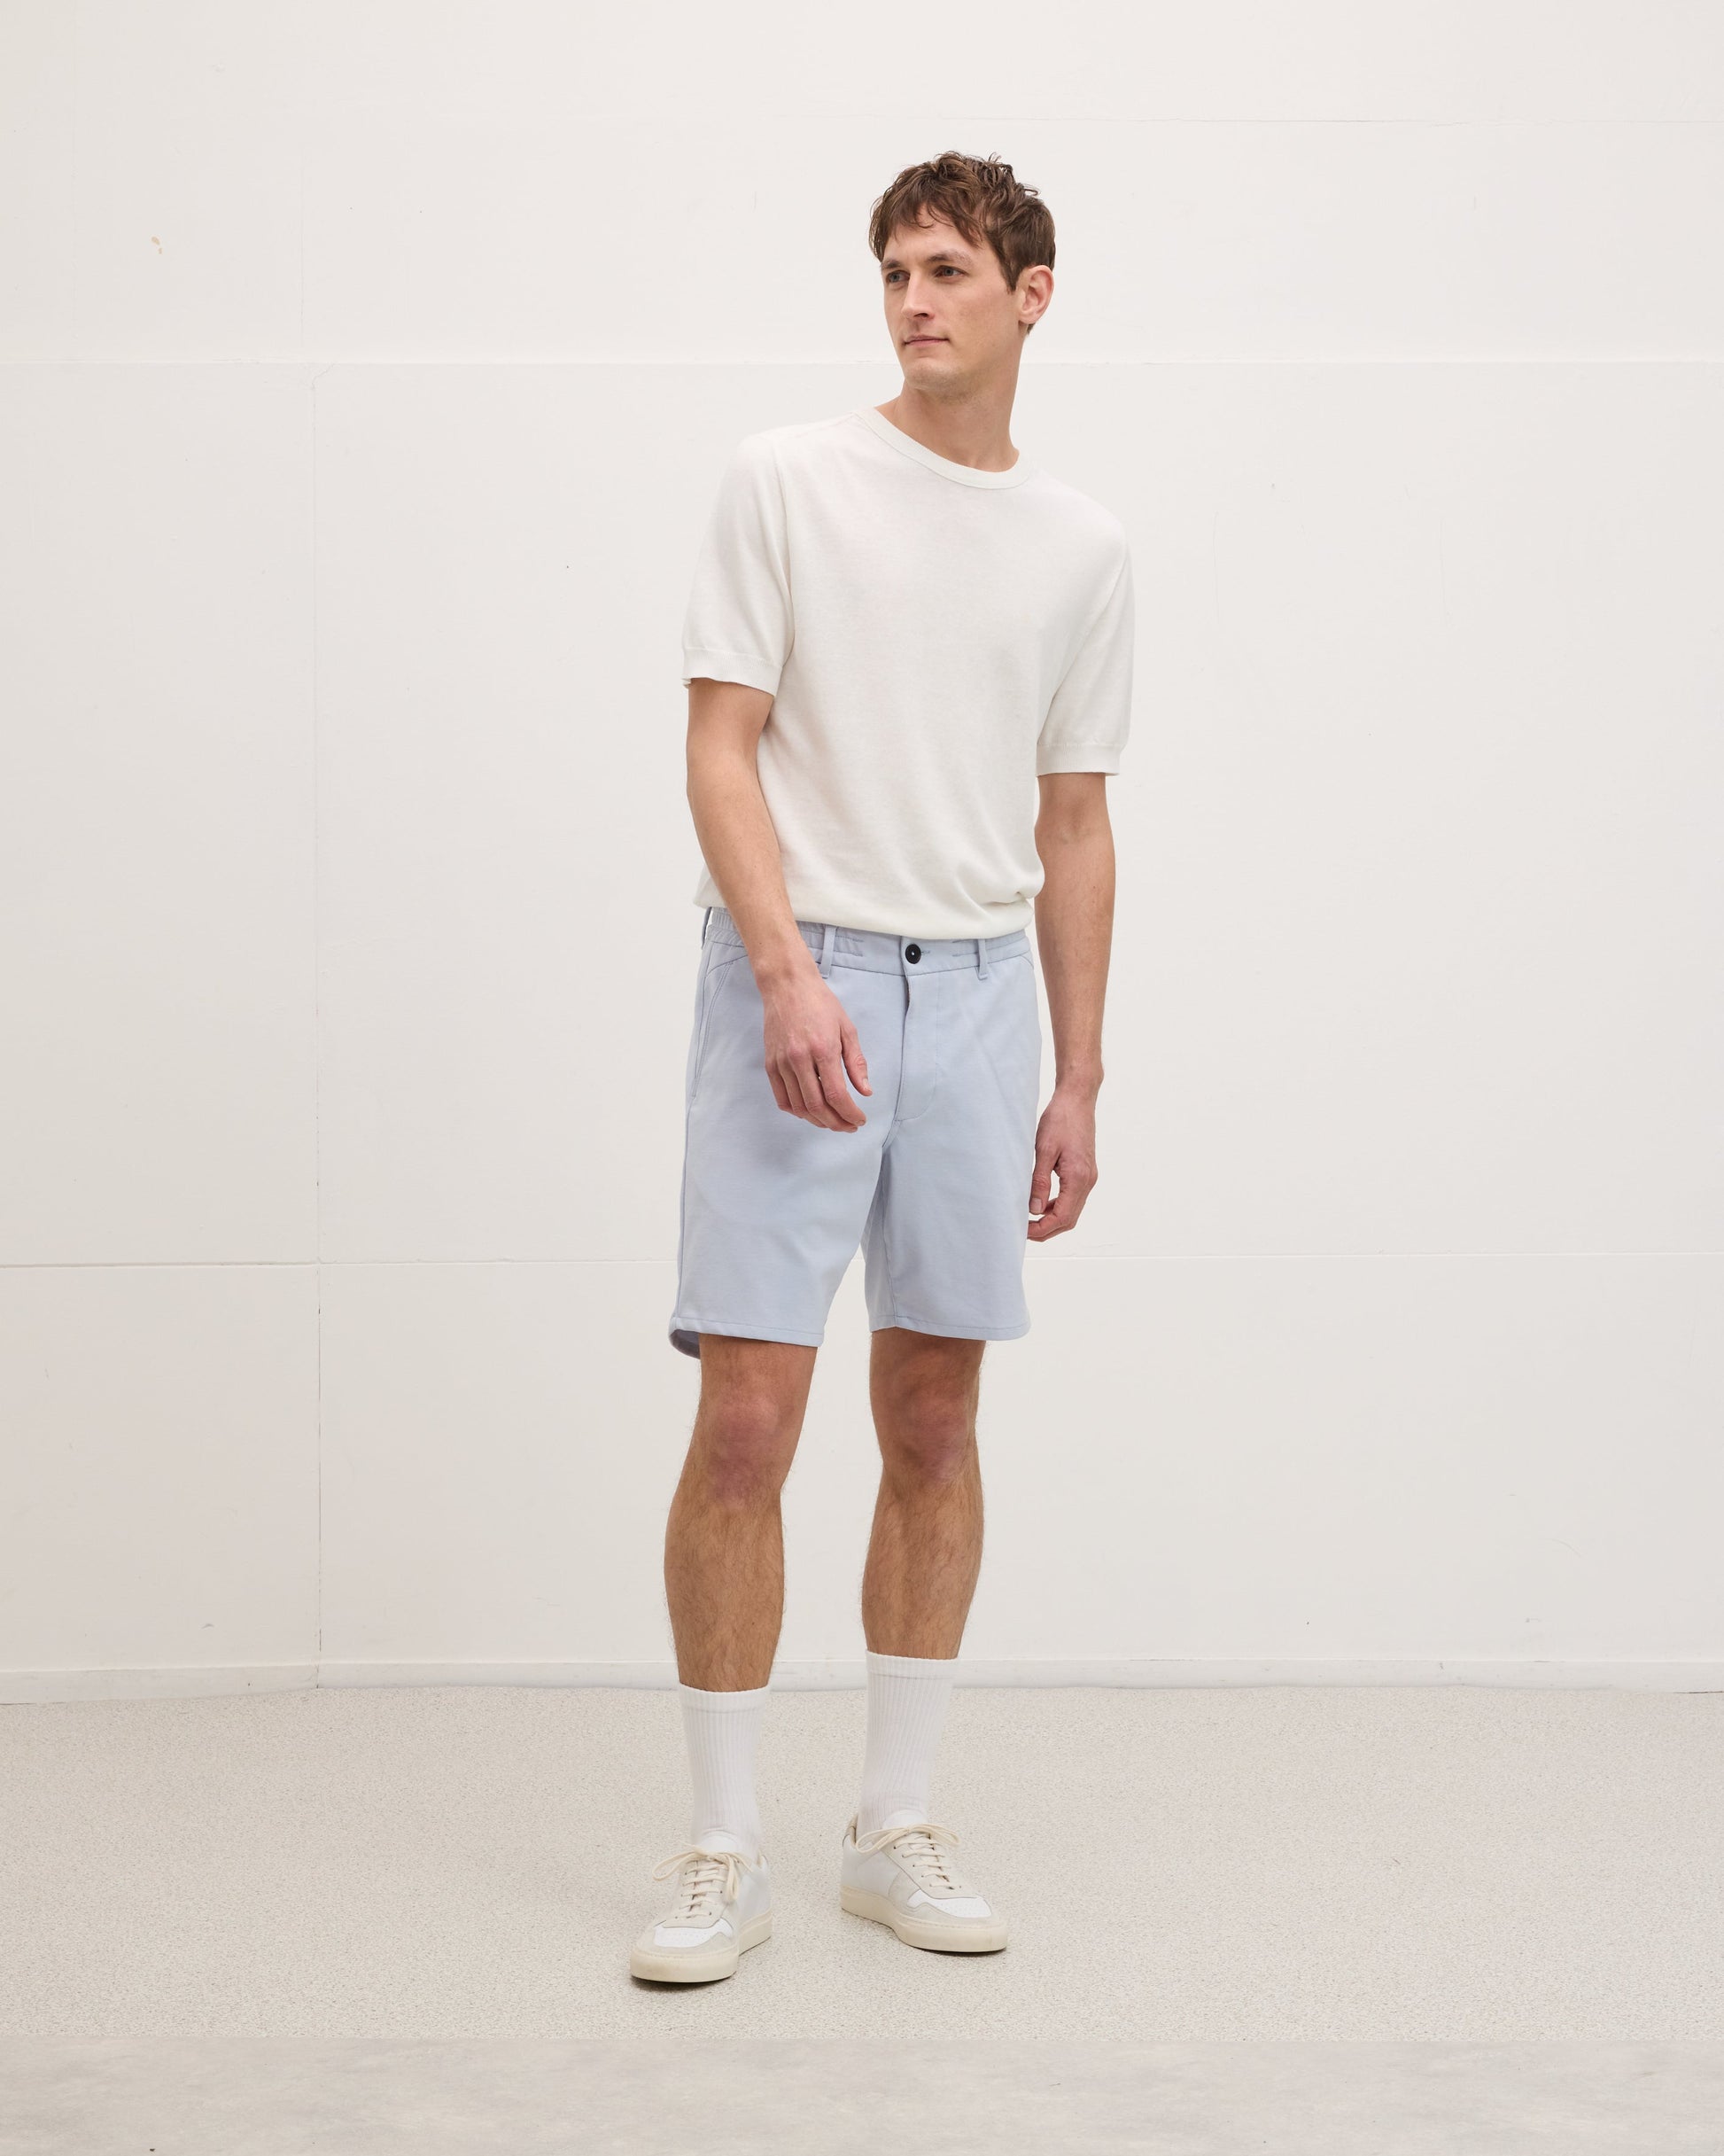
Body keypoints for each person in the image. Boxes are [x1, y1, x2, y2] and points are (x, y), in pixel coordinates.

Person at [629, 150, 1133, 1985]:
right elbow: (720, 743)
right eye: (895, 274)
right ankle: (720, 1843)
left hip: (983, 994)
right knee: (746, 1419)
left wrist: (1077, 1074)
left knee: (932, 1417)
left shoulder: (1080, 546)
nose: (914, 302)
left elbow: (1072, 823)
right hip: (802, 973)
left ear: (1031, 292)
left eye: (946, 271)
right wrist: (781, 971)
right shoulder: (786, 479)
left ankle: (890, 1824)